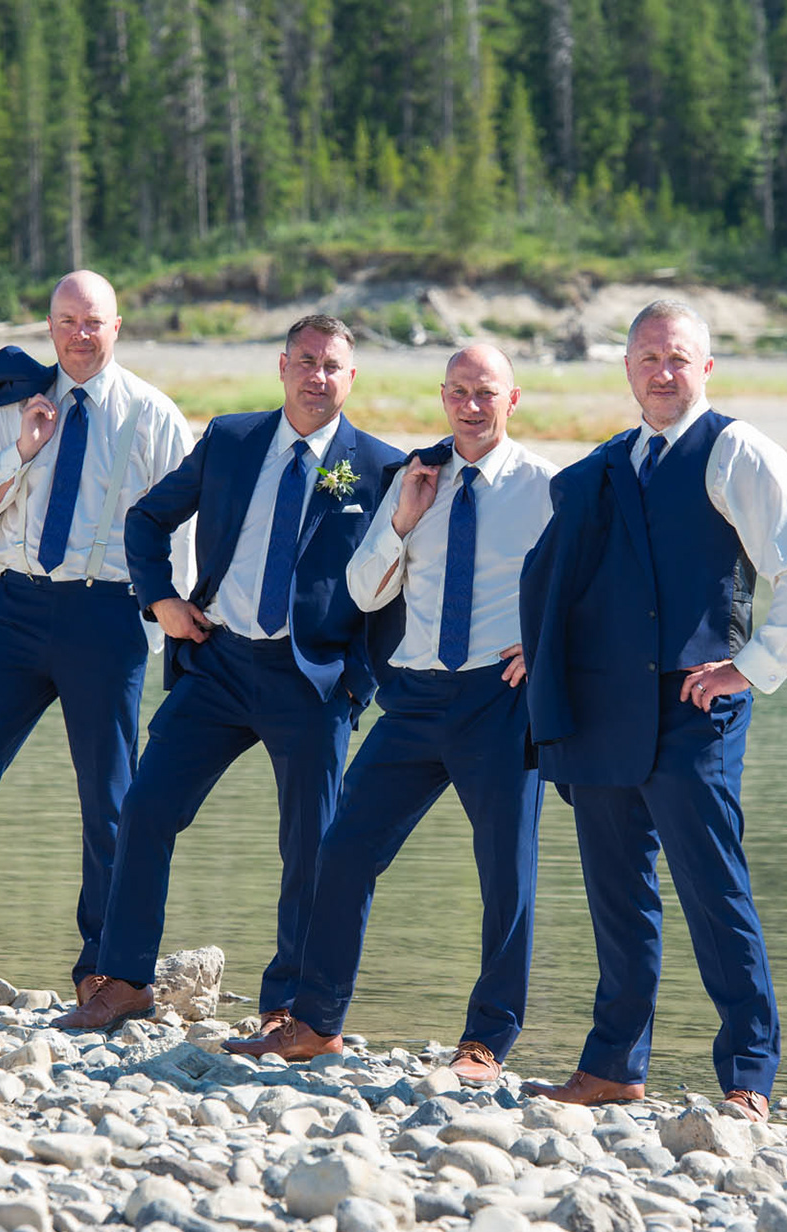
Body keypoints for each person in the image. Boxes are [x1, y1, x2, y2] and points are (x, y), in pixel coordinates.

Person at [517, 299, 787, 1118]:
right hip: (604, 708)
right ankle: (614, 1067)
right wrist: (544, 651)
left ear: (706, 368)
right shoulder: (608, 464)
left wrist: (752, 669)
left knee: (712, 889)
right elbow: (571, 581)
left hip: (696, 712)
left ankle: (749, 1076)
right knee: (617, 893)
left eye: (678, 358)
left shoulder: (737, 451)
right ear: (627, 369)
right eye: (649, 359)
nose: (664, 373)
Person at [55, 315, 404, 1032]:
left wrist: (356, 681)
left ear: (352, 377)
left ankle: (289, 1007)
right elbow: (147, 520)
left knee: (310, 845)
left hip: (311, 679)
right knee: (146, 808)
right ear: (282, 367)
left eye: (332, 365)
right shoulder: (232, 439)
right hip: (217, 662)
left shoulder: (382, 468)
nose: (317, 376)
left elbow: (398, 590)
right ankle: (122, 979)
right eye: (305, 361)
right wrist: (161, 600)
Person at [221, 344, 556, 1085]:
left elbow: (580, 586)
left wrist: (545, 645)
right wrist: (404, 518)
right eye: (460, 391)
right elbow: (366, 591)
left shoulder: (542, 487)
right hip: (413, 699)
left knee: (507, 872)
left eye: (487, 392)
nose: (472, 405)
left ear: (513, 399)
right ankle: (316, 1023)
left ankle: (486, 1044)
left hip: (498, 703)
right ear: (443, 396)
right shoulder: (417, 479)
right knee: (344, 850)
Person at [0, 270, 194, 994]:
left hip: (105, 615)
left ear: (118, 327)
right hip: (14, 612)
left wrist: (164, 621)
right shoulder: (18, 405)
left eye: (94, 322)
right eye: (67, 321)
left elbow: (181, 533)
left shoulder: (154, 417)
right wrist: (20, 449)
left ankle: (105, 969)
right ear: (49, 327)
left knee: (108, 798)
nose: (80, 334)